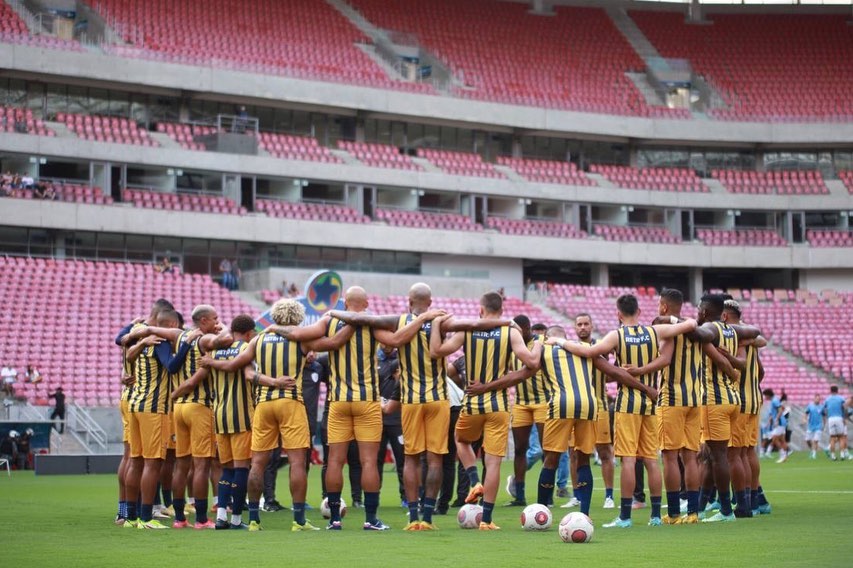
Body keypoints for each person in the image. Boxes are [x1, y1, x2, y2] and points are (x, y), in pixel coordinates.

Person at [200, 298, 352, 531]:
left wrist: (209, 361)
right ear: (297, 318)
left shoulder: (258, 339)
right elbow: (333, 343)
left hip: (263, 405)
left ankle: (252, 520)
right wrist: (354, 323)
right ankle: (299, 521)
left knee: (257, 464)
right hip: (291, 403)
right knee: (297, 462)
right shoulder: (301, 339)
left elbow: (236, 367)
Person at [554, 294, 697, 529]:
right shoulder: (656, 331)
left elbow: (590, 352)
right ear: (639, 312)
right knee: (652, 460)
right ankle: (654, 516)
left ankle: (625, 517)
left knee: (628, 460)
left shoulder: (616, 335)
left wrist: (559, 342)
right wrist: (670, 317)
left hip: (627, 403)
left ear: (618, 314)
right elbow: (691, 324)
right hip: (651, 404)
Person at [320, 285, 447, 530]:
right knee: (369, 462)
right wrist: (422, 319)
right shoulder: (373, 326)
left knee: (335, 461)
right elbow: (398, 339)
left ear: (345, 303)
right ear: (366, 304)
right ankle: (370, 519)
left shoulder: (328, 322)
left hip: (337, 400)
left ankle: (335, 519)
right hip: (368, 400)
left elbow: (309, 341)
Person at [430, 291, 541, 531]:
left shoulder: (467, 329)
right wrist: (540, 345)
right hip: (499, 405)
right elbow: (531, 363)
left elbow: (437, 351)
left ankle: (474, 481)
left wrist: (437, 324)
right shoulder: (510, 331)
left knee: (460, 440)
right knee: (494, 462)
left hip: (472, 402)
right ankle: (487, 520)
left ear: (481, 309)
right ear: (501, 310)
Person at [535, 325, 658, 516]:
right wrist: (647, 389)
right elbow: (617, 372)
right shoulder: (584, 349)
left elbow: (526, 369)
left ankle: (541, 513)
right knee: (584, 459)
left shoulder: (543, 347)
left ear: (548, 337)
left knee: (551, 459)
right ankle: (584, 514)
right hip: (590, 406)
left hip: (561, 404)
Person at [122, 309, 199, 529]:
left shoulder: (143, 342)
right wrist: (186, 344)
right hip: (153, 408)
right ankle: (146, 518)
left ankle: (130, 517)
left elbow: (127, 352)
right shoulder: (160, 342)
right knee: (152, 463)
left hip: (135, 403)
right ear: (173, 323)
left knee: (135, 461)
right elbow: (172, 366)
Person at [690, 294, 761, 523]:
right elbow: (755, 331)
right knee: (724, 455)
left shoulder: (710, 328)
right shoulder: (732, 330)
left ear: (703, 312)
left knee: (718, 456)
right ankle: (735, 504)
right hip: (734, 399)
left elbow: (697, 334)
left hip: (714, 400)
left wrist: (683, 324)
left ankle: (725, 510)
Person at [722, 299, 770, 517]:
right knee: (748, 451)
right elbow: (760, 371)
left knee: (734, 454)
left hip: (738, 400)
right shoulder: (751, 339)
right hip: (753, 398)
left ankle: (743, 503)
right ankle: (756, 499)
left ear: (725, 316)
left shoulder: (732, 337)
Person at [503, 315, 547, 507]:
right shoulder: (512, 346)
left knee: (548, 450)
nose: (517, 335)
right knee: (520, 449)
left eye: (521, 331)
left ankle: (546, 495)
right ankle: (519, 496)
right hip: (521, 403)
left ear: (528, 328)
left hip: (543, 401)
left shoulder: (540, 344)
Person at [573, 313, 616, 510]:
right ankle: (576, 495)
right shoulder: (569, 349)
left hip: (599, 406)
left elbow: (609, 374)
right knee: (575, 453)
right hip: (578, 408)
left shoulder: (602, 347)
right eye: (579, 324)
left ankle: (609, 496)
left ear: (592, 326)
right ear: (575, 328)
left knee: (605, 451)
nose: (582, 327)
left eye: (586, 324)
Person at [375, 348, 405, 508]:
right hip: (378, 421)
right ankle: (373, 497)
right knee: (375, 461)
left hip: (398, 422)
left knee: (403, 460)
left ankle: (406, 497)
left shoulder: (401, 360)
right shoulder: (375, 362)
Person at [825, 386, 850, 461]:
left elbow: (825, 408)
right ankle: (842, 455)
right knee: (841, 437)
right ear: (837, 390)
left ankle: (833, 456)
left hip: (831, 419)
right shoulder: (841, 398)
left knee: (832, 438)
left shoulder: (827, 399)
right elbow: (845, 407)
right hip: (839, 418)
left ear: (830, 391)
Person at [804, 394, 825, 460]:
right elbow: (806, 413)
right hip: (810, 426)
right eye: (816, 398)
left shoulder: (821, 407)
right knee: (807, 440)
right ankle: (812, 450)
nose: (818, 400)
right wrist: (805, 419)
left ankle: (814, 454)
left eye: (819, 399)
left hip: (818, 426)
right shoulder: (810, 406)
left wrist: (824, 425)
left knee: (815, 440)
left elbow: (824, 416)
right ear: (814, 399)